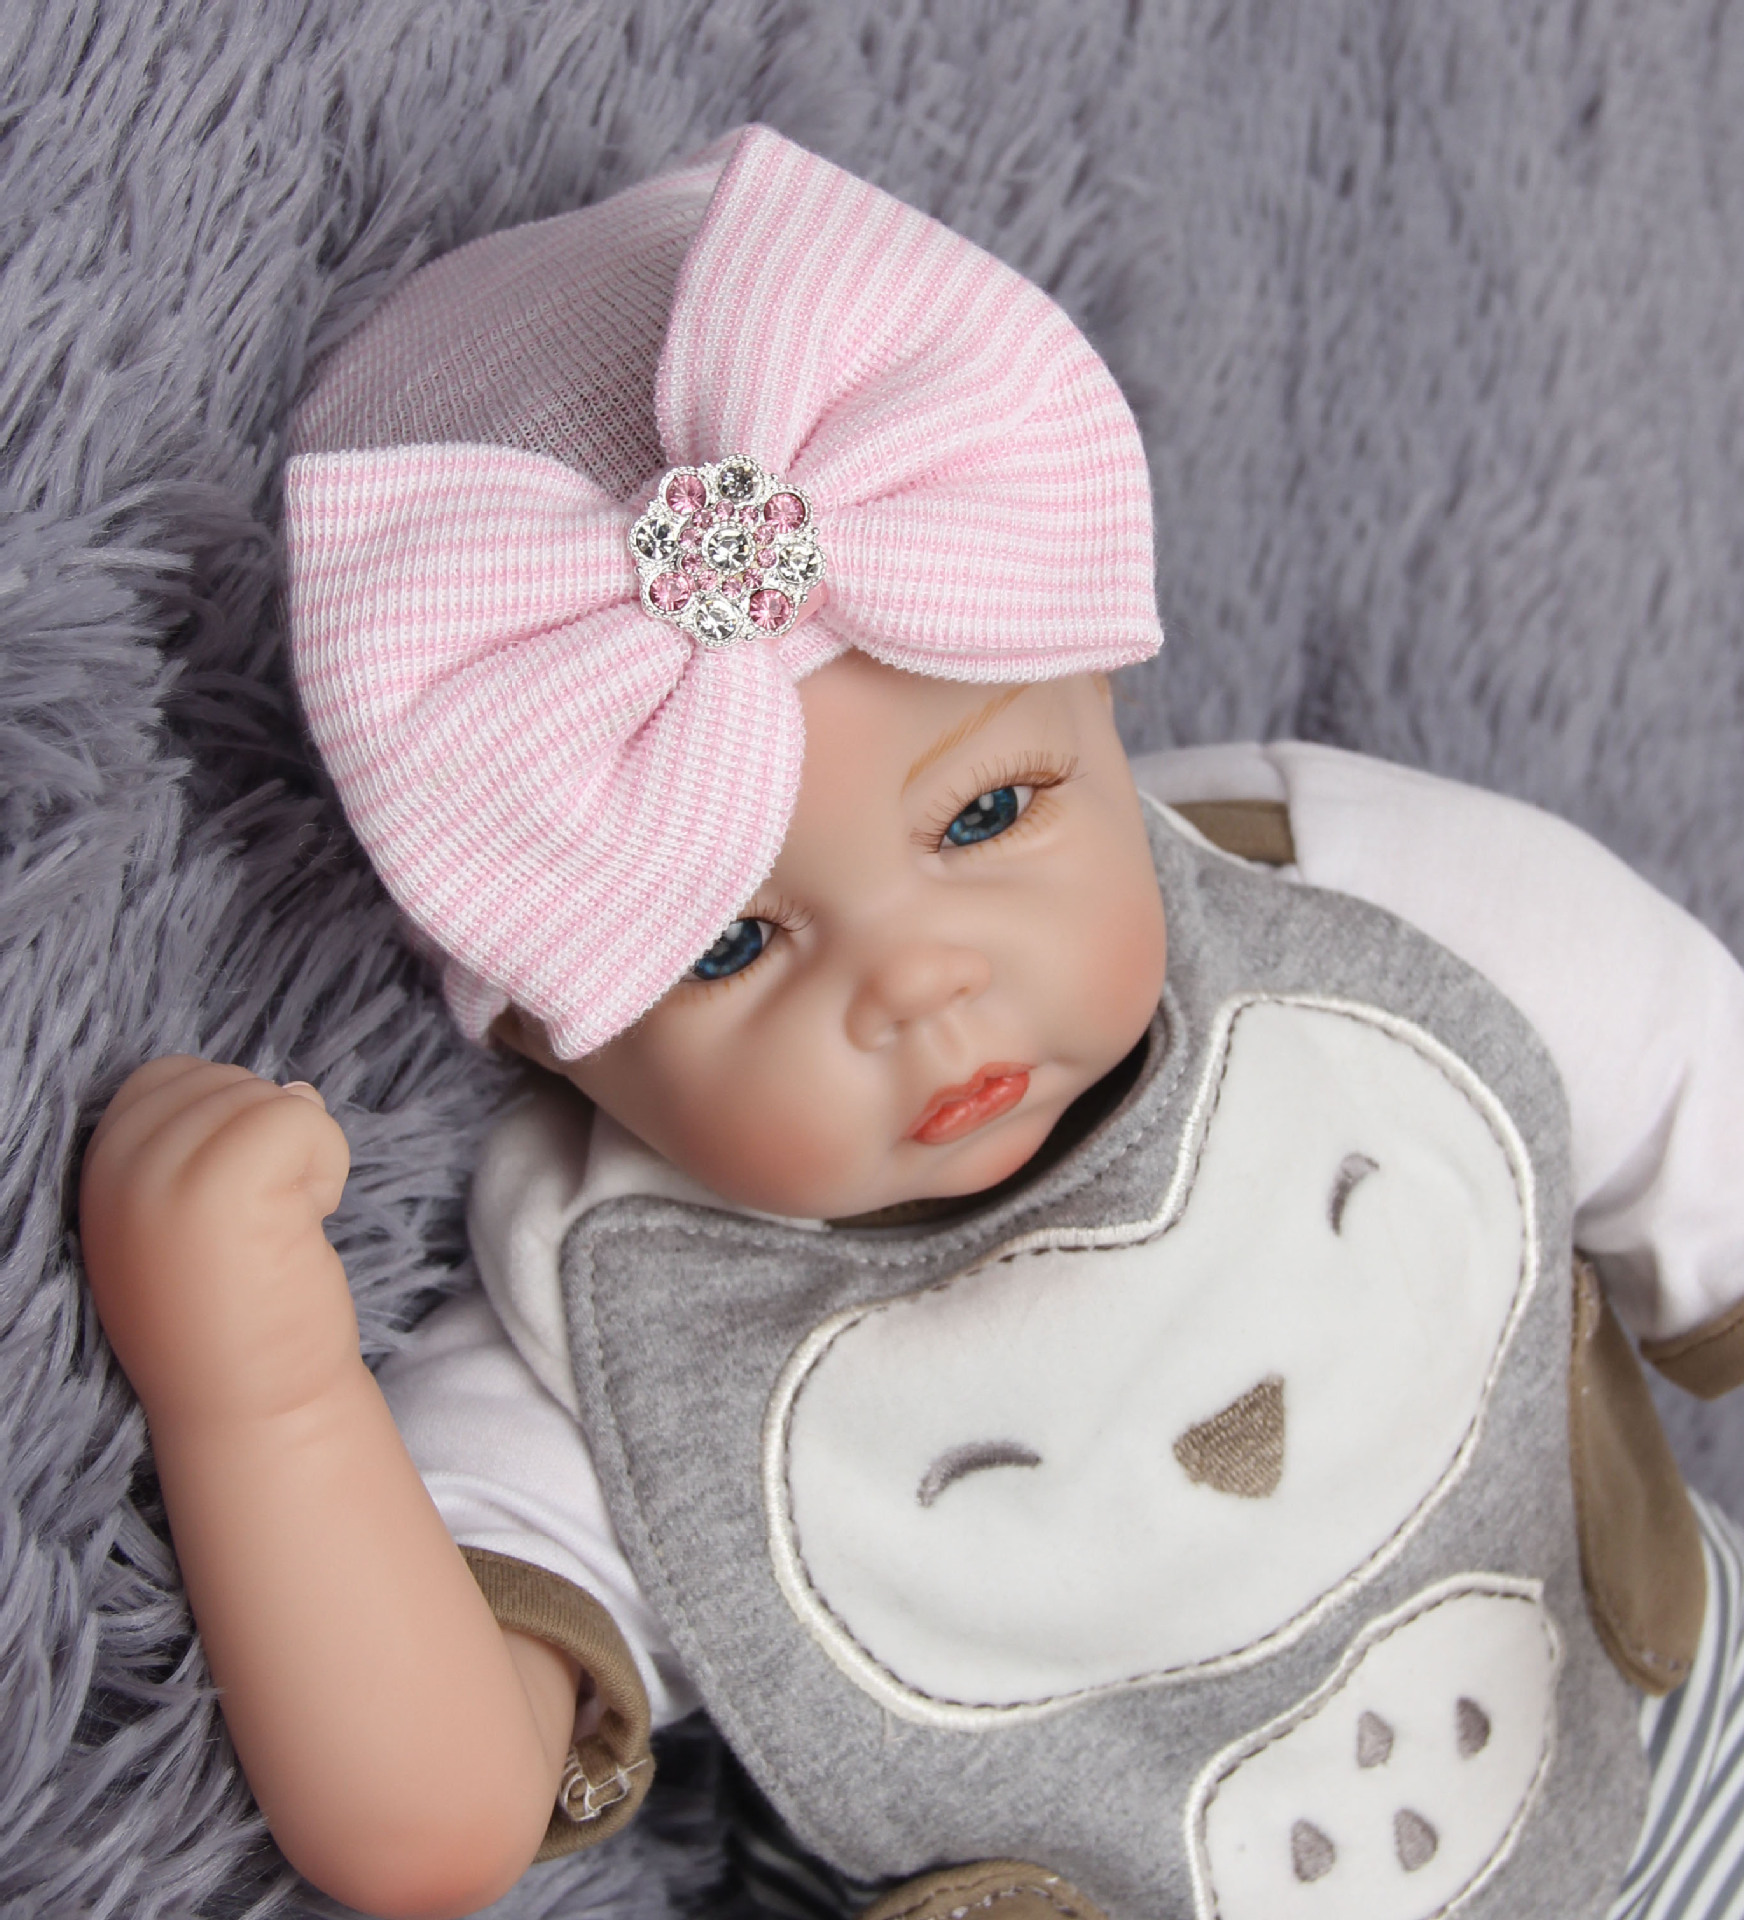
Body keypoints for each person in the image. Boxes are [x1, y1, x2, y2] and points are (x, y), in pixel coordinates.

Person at [77, 126, 1744, 1920]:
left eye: (986, 815)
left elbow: (1688, 1071)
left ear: (1100, 686)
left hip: (1667, 1751)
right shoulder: (618, 1329)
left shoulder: (1349, 894)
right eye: (731, 944)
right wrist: (258, 1389)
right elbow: (426, 1823)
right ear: (552, 1031)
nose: (919, 983)